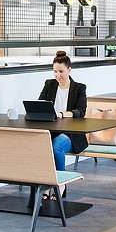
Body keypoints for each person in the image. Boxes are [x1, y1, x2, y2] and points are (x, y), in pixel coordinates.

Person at [37, 51, 87, 179]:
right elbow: (40, 105)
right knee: (35, 145)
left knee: (56, 146)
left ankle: (61, 182)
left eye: (61, 71)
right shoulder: (49, 85)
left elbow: (81, 112)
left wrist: (62, 114)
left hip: (71, 133)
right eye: (55, 72)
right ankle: (44, 181)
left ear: (69, 70)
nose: (57, 75)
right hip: (51, 130)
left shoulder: (79, 88)